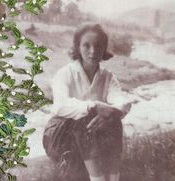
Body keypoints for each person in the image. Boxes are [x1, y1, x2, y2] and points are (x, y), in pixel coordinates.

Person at [43, 24, 132, 181]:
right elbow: (60, 106)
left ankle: (112, 178)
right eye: (86, 45)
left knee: (113, 117)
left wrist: (108, 113)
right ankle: (97, 178)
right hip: (59, 135)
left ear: (104, 48)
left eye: (98, 45)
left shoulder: (108, 77)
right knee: (87, 114)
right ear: (77, 47)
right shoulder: (65, 74)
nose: (93, 51)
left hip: (91, 134)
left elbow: (122, 103)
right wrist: (94, 106)